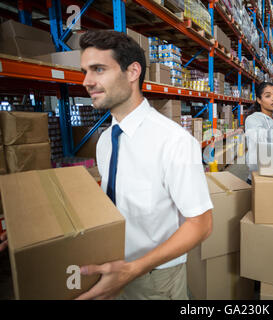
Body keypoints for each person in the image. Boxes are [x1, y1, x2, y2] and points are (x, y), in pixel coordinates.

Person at [76, 30, 213, 300]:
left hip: (154, 278)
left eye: (98, 69)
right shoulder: (106, 141)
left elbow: (201, 223)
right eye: (85, 71)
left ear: (132, 72)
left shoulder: (173, 141)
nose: (86, 81)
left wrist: (133, 269)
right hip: (110, 268)